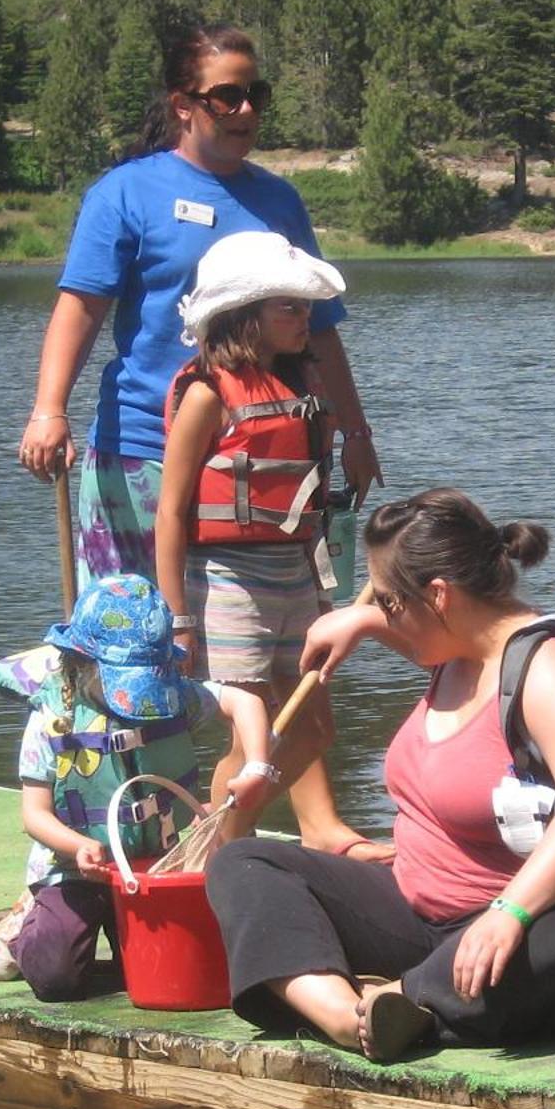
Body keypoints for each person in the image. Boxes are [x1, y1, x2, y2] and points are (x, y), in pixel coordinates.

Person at [204, 489, 555, 1063]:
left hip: (523, 920)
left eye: (388, 602)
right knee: (243, 863)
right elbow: (421, 630)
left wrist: (511, 912)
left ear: (438, 596)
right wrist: (359, 620)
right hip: (414, 912)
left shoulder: (551, 667)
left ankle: (403, 998)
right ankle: (347, 1016)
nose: (385, 616)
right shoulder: (453, 650)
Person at [16, 21, 381, 584]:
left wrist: (355, 434)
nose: (245, 112)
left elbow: (321, 330)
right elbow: (81, 308)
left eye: (255, 95)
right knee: (129, 640)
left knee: (237, 652)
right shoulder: (125, 193)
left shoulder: (278, 201)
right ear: (183, 105)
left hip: (257, 459)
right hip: (142, 452)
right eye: (226, 97)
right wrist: (49, 411)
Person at [156, 229, 358, 850]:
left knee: (314, 726)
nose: (306, 319)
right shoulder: (206, 394)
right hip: (227, 580)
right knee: (250, 738)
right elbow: (169, 515)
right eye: (289, 307)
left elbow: (314, 500)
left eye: (306, 306)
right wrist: (180, 620)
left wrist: (326, 593)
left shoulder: (305, 386)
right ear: (242, 315)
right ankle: (212, 856)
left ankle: (216, 836)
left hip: (298, 572)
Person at [0, 573, 275, 1001]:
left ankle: (119, 945)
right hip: (76, 868)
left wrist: (257, 766)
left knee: (183, 966)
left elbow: (244, 701)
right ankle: (22, 928)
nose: (138, 696)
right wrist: (76, 845)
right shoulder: (53, 714)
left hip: (157, 866)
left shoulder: (171, 696)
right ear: (82, 662)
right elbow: (34, 815)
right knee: (56, 976)